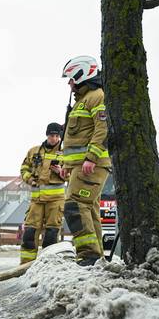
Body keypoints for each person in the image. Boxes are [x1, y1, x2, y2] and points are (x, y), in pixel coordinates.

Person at [59, 55, 111, 266]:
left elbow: (103, 129)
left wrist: (91, 157)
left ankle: (88, 256)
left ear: (82, 75)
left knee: (75, 206)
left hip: (93, 165)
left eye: (71, 78)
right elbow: (74, 138)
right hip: (80, 167)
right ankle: (96, 257)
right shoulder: (82, 101)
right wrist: (65, 164)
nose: (69, 83)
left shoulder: (97, 96)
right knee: (88, 209)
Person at [18, 122, 65, 263]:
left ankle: (47, 266)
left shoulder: (65, 153)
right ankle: (25, 267)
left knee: (51, 236)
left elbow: (73, 174)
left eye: (57, 136)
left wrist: (60, 172)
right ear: (47, 135)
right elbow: (24, 169)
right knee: (29, 234)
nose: (54, 139)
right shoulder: (34, 151)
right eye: (52, 135)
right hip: (36, 201)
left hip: (55, 202)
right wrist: (30, 179)